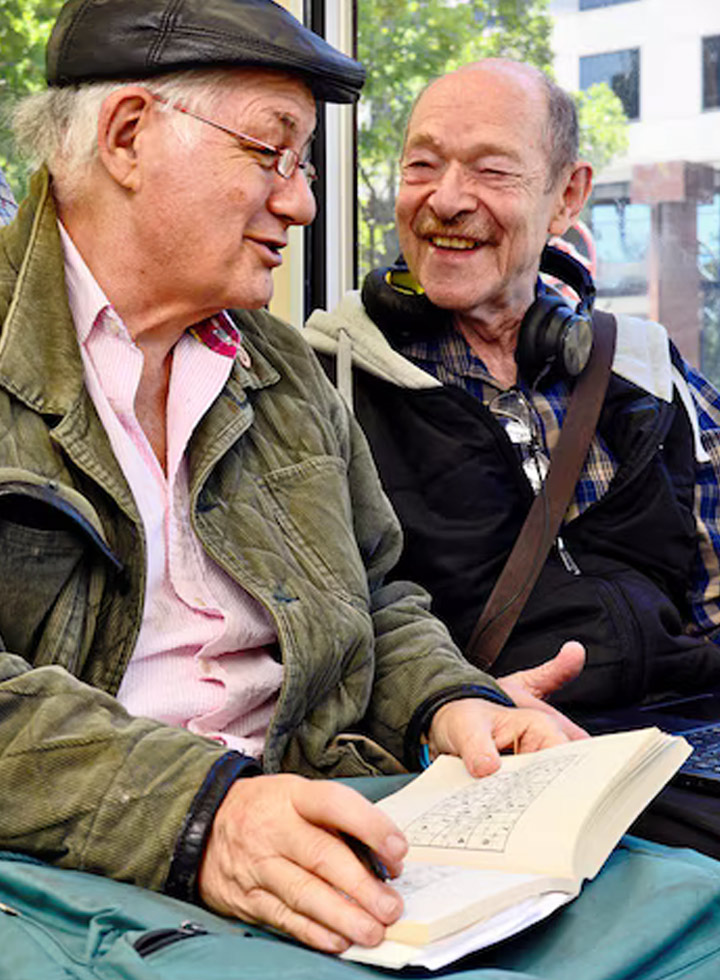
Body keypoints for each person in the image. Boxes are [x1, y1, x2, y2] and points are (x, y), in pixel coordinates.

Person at [2, 8, 720, 977]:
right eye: (274, 153)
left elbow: (378, 598)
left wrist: (454, 704)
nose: (301, 205)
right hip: (83, 843)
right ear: (130, 135)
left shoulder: (280, 370)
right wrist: (201, 810)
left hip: (331, 803)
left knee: (694, 915)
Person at [306, 59, 720, 715]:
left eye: (490, 170)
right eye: (422, 166)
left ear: (568, 196)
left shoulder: (648, 368)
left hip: (680, 729)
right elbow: (324, 646)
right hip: (478, 752)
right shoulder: (324, 383)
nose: (445, 199)